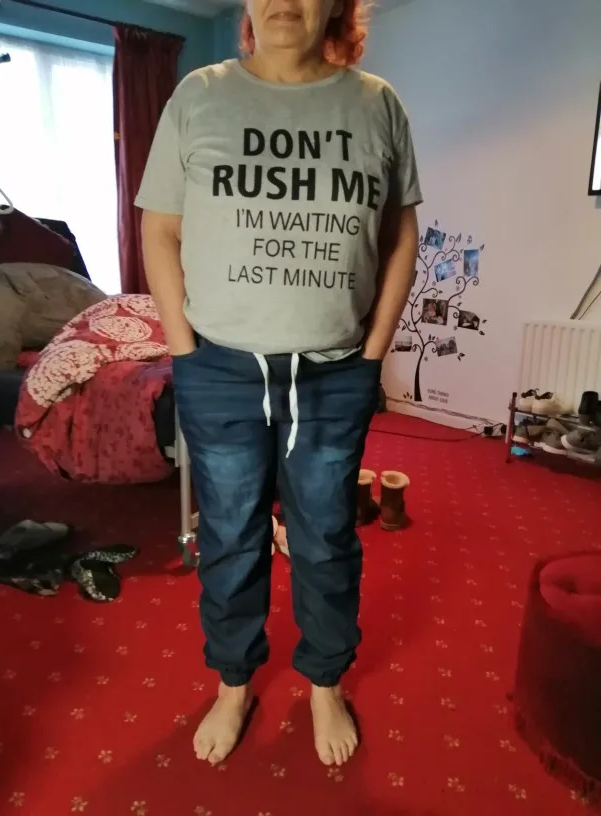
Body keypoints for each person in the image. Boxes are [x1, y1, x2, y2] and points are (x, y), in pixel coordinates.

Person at [136, 0, 422, 770]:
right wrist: (184, 352)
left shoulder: (377, 105)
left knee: (325, 538)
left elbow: (400, 235)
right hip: (221, 369)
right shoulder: (198, 96)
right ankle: (234, 681)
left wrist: (371, 355)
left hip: (334, 374)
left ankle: (325, 680)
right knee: (229, 535)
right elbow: (160, 228)